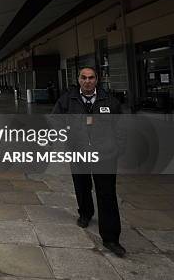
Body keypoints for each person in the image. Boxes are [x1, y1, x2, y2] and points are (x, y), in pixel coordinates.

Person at [51, 66, 126, 257]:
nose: (87, 81)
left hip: (105, 155)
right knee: (82, 185)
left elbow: (122, 128)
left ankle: (111, 238)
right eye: (83, 78)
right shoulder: (68, 100)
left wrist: (117, 149)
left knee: (107, 194)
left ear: (97, 80)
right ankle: (85, 213)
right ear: (78, 79)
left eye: (91, 78)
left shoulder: (110, 102)